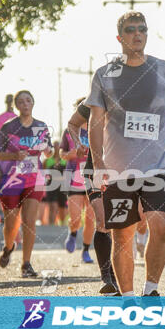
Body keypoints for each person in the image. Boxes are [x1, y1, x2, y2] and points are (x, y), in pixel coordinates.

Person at [87, 11, 165, 297]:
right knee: (122, 235)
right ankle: (127, 297)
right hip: (118, 169)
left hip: (158, 167)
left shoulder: (163, 70)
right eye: (130, 30)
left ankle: (151, 290)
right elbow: (96, 121)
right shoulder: (105, 75)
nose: (137, 34)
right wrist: (98, 163)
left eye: (142, 29)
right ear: (119, 37)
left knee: (160, 226)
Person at [0, 90, 53, 277]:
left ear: (33, 103)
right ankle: (9, 247)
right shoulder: (8, 127)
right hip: (11, 179)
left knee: (29, 222)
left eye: (28, 100)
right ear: (17, 106)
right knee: (11, 225)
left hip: (34, 178)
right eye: (21, 101)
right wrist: (13, 156)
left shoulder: (41, 126)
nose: (25, 104)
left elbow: (49, 152)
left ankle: (26, 263)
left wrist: (48, 150)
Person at [66, 99, 118, 295]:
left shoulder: (133, 99)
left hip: (123, 168)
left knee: (120, 225)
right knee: (103, 221)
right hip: (93, 170)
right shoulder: (94, 101)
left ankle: (119, 276)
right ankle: (108, 278)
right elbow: (72, 123)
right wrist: (78, 142)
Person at [60, 98, 95, 264]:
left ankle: (86, 250)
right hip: (74, 178)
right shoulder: (69, 131)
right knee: (75, 219)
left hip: (93, 179)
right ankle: (73, 232)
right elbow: (61, 154)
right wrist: (71, 154)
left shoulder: (97, 129)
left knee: (90, 218)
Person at [0, 94, 18, 226]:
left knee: (1, 183)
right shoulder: (17, 119)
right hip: (14, 157)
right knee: (14, 183)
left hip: (2, 157)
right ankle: (11, 213)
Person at [40, 141, 68, 225]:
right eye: (55, 146)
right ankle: (51, 226)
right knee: (52, 206)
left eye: (58, 146)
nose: (56, 148)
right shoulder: (47, 161)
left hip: (62, 187)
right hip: (51, 187)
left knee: (62, 209)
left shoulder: (64, 160)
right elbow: (43, 174)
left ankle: (61, 225)